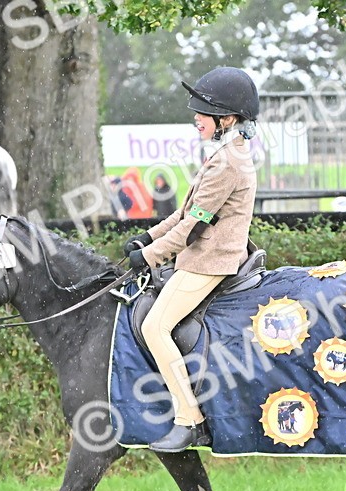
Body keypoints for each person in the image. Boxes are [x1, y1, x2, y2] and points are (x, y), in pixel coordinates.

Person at [123, 67, 260, 452]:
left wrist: (150, 256)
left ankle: (189, 419)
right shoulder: (223, 154)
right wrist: (147, 236)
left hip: (210, 261)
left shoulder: (228, 162)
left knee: (155, 327)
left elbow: (194, 228)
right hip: (199, 254)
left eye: (203, 111)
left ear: (227, 119)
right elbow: (186, 213)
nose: (195, 118)